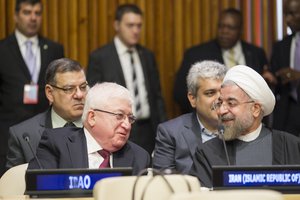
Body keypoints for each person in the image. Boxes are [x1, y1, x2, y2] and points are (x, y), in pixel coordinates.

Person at [190, 65, 300, 188]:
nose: (221, 110)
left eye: (231, 103)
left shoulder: (291, 146)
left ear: (255, 109)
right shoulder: (207, 153)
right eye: (220, 103)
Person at [87, 4, 167, 155]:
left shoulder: (147, 56)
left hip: (147, 129)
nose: (136, 31)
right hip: (115, 129)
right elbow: (93, 99)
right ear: (117, 25)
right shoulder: (100, 57)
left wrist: (162, 129)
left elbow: (157, 96)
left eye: (139, 26)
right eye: (130, 25)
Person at [28, 82, 150, 175]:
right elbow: (39, 193)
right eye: (119, 116)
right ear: (92, 117)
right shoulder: (56, 143)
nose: (127, 125)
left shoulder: (139, 157)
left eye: (130, 118)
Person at [0, 0, 64, 175]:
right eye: (27, 12)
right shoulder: (3, 49)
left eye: (37, 13)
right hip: (7, 136)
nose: (33, 18)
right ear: (15, 16)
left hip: (46, 133)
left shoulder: (54, 49)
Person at [174, 8, 275, 114]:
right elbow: (180, 93)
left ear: (241, 30)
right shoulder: (196, 54)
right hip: (211, 120)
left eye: (230, 27)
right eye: (221, 26)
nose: (224, 31)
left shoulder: (256, 53)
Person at [6, 58, 87, 169]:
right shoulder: (23, 136)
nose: (79, 95)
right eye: (69, 89)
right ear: (50, 93)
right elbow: (15, 184)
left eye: (83, 87)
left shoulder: (101, 127)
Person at [153, 61, 227, 174]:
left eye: (223, 92)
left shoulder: (241, 127)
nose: (219, 99)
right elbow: (164, 182)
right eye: (210, 93)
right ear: (193, 98)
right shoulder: (171, 133)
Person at [270, 0, 300, 136]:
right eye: (286, 14)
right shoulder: (281, 46)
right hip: (288, 113)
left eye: (293, 14)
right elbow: (275, 75)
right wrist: (271, 79)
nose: (287, 19)